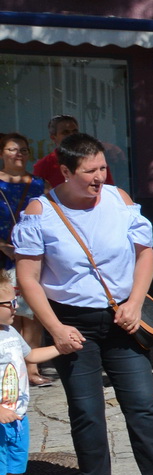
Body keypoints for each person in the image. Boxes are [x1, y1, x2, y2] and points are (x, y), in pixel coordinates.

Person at [12, 133, 153, 475]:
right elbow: (28, 278)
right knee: (86, 411)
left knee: (142, 406)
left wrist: (135, 303)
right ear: (65, 172)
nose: (100, 177)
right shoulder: (40, 212)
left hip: (123, 321)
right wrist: (56, 328)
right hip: (70, 323)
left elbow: (145, 256)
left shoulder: (120, 201)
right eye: (90, 171)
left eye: (102, 167)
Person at [0, 271, 70, 475]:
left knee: (16, 466)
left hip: (17, 416)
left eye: (15, 300)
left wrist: (61, 348)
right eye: (9, 303)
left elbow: (31, 355)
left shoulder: (9, 332)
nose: (15, 307)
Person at [0, 133, 49, 387]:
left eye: (23, 149)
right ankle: (11, 370)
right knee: (8, 313)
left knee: (32, 314)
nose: (18, 153)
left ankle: (32, 368)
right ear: (2, 153)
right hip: (2, 259)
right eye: (12, 149)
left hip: (33, 256)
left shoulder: (41, 184)